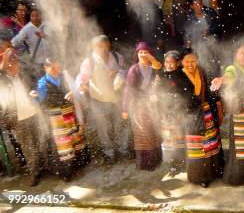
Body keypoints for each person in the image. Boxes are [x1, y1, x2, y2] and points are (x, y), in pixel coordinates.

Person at [211, 44, 244, 186]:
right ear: (235, 56)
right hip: (242, 112)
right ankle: (242, 175)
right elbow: (229, 76)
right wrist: (221, 80)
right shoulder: (233, 68)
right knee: (243, 146)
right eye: (241, 53)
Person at [76, 35, 128, 164]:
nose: (103, 49)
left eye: (105, 45)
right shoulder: (90, 61)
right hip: (98, 101)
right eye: (100, 46)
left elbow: (125, 72)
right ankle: (109, 153)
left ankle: (122, 149)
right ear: (94, 47)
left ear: (109, 45)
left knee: (119, 125)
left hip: (117, 99)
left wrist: (118, 73)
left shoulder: (117, 57)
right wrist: (80, 85)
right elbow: (82, 76)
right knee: (103, 128)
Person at [34, 57, 87, 182]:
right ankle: (66, 172)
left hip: (70, 113)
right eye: (50, 66)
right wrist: (35, 95)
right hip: (56, 118)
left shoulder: (66, 76)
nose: (54, 68)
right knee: (63, 145)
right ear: (45, 68)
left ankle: (78, 165)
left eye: (56, 65)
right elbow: (39, 97)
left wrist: (73, 93)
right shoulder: (42, 82)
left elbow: (78, 91)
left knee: (75, 139)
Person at [0, 47, 47, 186]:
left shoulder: (24, 74)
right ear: (7, 65)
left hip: (34, 113)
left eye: (15, 62)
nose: (14, 65)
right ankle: (34, 173)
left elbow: (37, 84)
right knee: (27, 147)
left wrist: (35, 91)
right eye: (11, 63)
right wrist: (6, 57)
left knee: (41, 140)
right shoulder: (4, 80)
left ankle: (46, 166)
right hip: (18, 119)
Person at [180, 52, 224, 187]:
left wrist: (215, 100)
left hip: (207, 113)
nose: (190, 64)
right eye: (187, 61)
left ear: (197, 61)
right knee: (197, 147)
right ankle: (200, 177)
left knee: (210, 144)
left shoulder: (203, 72)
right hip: (191, 116)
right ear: (182, 62)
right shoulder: (179, 76)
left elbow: (212, 91)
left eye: (193, 61)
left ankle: (214, 172)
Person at [122, 42, 162, 170]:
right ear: (137, 54)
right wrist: (125, 108)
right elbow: (128, 89)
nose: (143, 54)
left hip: (152, 105)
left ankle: (156, 160)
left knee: (153, 131)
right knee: (142, 134)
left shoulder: (152, 67)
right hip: (138, 106)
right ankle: (145, 164)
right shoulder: (134, 69)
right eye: (140, 52)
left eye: (146, 52)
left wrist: (151, 58)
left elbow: (159, 67)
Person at [152, 50, 185, 168]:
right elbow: (154, 89)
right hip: (166, 111)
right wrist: (154, 95)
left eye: (172, 62)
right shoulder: (160, 76)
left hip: (179, 110)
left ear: (178, 63)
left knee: (180, 135)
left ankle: (181, 158)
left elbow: (185, 92)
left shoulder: (182, 75)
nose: (169, 65)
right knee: (168, 136)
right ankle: (171, 161)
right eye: (167, 62)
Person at [11, 8, 49, 81]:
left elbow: (56, 39)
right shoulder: (26, 29)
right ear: (30, 17)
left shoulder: (48, 25)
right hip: (38, 62)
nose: (35, 18)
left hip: (50, 60)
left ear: (41, 16)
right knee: (42, 82)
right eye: (33, 16)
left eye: (37, 15)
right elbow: (14, 42)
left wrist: (44, 36)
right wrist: (17, 46)